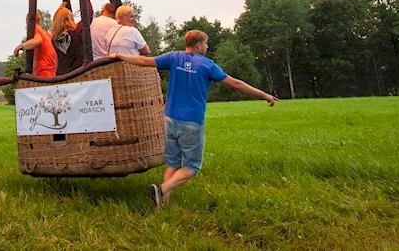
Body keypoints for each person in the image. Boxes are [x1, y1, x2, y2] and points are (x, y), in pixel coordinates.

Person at [112, 29, 279, 209]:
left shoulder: (173, 57)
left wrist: (120, 55)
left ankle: (161, 206)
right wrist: (264, 95)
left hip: (169, 119)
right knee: (192, 167)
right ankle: (161, 190)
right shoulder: (207, 65)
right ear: (198, 45)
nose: (207, 47)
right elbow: (236, 84)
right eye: (206, 43)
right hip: (191, 122)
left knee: (173, 164)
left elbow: (144, 61)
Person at [13, 10, 57, 77]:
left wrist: (19, 47)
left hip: (43, 72)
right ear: (39, 21)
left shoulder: (35, 29)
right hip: (52, 73)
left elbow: (37, 41)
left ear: (28, 21)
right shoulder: (47, 34)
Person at [51, 4, 84, 74]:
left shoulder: (54, 40)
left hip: (62, 75)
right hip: (78, 73)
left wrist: (65, 1)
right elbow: (88, 15)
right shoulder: (77, 32)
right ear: (69, 18)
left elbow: (59, 17)